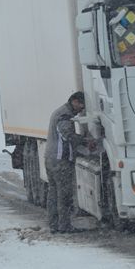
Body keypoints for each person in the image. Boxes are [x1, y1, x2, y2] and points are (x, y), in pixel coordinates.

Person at [44, 91, 86, 233]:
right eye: (81, 105)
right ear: (74, 101)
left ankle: (54, 225)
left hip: (51, 158)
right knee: (64, 194)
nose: (82, 109)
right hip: (60, 160)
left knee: (54, 193)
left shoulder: (60, 112)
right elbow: (67, 135)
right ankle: (64, 226)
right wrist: (85, 141)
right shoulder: (64, 115)